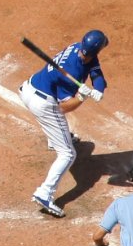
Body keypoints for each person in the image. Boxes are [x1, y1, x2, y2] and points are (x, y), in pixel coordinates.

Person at [18, 28, 108, 217]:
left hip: (29, 88)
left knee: (64, 134)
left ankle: (56, 138)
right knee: (67, 153)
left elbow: (97, 73)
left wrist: (98, 88)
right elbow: (64, 107)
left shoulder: (80, 48)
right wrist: (83, 97)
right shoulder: (71, 70)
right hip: (43, 103)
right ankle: (44, 193)